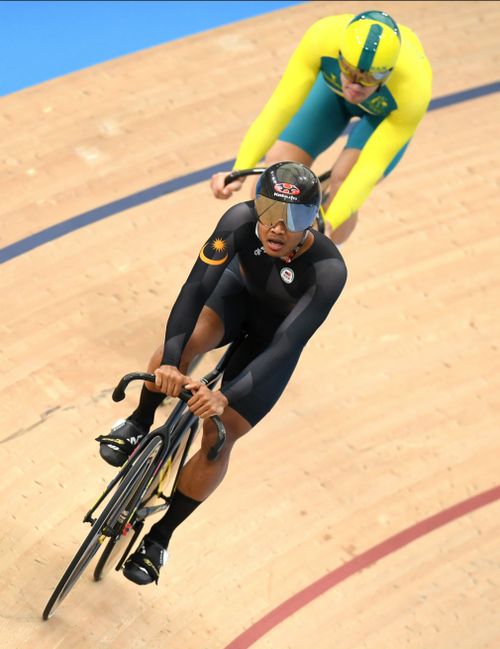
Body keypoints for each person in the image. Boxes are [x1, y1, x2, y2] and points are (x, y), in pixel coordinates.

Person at [97, 162, 347, 585]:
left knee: (220, 435)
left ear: (311, 222)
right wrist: (173, 363)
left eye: (293, 219)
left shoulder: (328, 271)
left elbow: (287, 344)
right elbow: (195, 288)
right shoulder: (238, 220)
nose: (275, 227)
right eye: (268, 210)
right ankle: (139, 422)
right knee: (186, 341)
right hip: (236, 299)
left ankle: (159, 538)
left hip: (271, 340)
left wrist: (224, 398)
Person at [210, 10, 432, 244]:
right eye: (349, 70)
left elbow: (369, 167)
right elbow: (278, 110)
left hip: (383, 116)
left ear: (387, 74)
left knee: (343, 180)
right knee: (278, 163)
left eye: (369, 78)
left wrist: (330, 223)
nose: (356, 85)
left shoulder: (413, 89)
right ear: (339, 56)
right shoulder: (322, 38)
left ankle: (316, 262)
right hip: (333, 95)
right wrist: (239, 170)